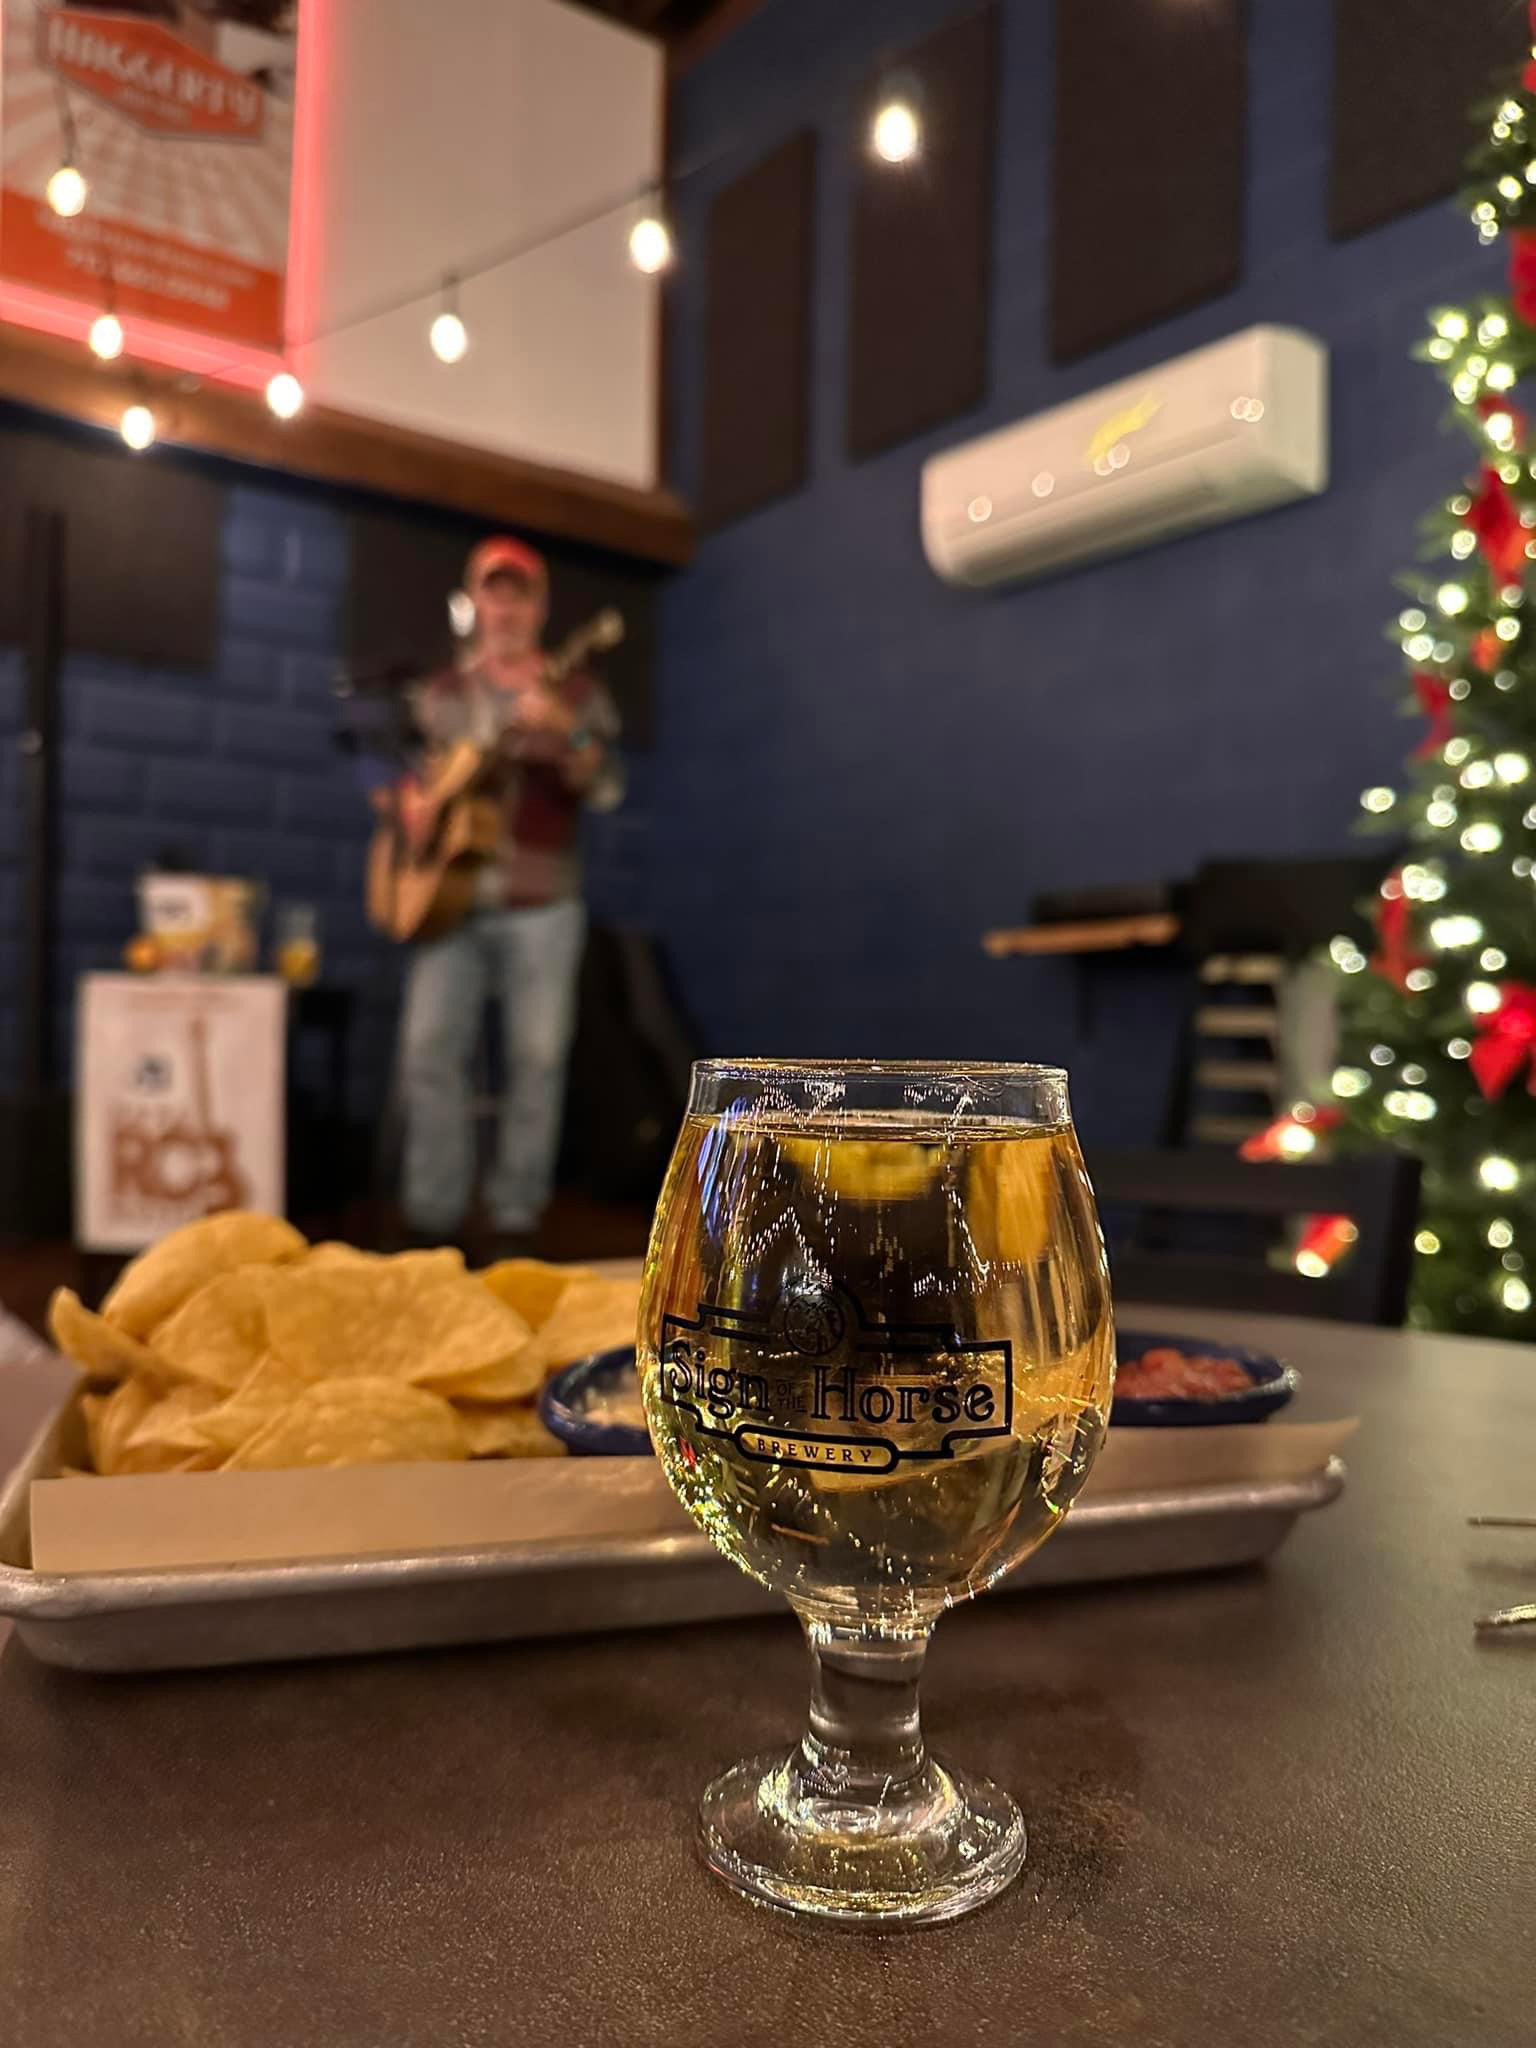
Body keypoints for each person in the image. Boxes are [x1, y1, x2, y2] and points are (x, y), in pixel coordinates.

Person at [396, 536, 622, 1253]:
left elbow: (606, 785)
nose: (505, 609)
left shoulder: (576, 692)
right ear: (476, 602)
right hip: (450, 899)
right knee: (428, 1051)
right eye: (493, 593)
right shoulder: (440, 694)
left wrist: (566, 730)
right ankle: (433, 1221)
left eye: (519, 595)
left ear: (540, 607)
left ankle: (515, 1220)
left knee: (538, 1060)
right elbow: (401, 775)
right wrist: (410, 807)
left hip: (543, 901)